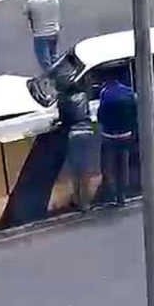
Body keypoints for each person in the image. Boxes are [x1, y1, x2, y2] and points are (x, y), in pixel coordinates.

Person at [97, 77, 137, 207]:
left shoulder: (105, 93)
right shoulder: (129, 92)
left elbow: (100, 114)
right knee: (123, 166)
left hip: (109, 135)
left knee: (109, 167)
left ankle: (111, 195)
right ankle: (122, 196)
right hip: (125, 134)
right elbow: (134, 113)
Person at [56, 73, 92, 211]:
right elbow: (88, 116)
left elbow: (63, 122)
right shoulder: (84, 96)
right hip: (87, 133)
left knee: (76, 170)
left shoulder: (63, 100)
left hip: (74, 136)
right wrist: (93, 130)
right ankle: (87, 202)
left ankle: (77, 199)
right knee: (86, 171)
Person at [23, 0, 61, 71]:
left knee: (45, 62)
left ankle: (52, 81)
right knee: (54, 57)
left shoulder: (32, 2)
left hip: (41, 34)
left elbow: (26, 13)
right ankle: (57, 75)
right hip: (54, 32)